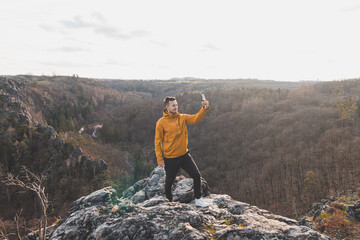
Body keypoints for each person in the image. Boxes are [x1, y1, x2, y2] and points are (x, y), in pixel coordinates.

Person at [154, 96, 210, 207]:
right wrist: (160, 159)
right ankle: (169, 203)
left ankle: (198, 199)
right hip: (170, 158)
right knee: (169, 183)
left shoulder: (182, 118)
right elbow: (157, 142)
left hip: (184, 155)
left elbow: (196, 118)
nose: (176, 107)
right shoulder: (161, 123)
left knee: (196, 175)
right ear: (167, 107)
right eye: (173, 105)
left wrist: (204, 108)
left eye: (176, 105)